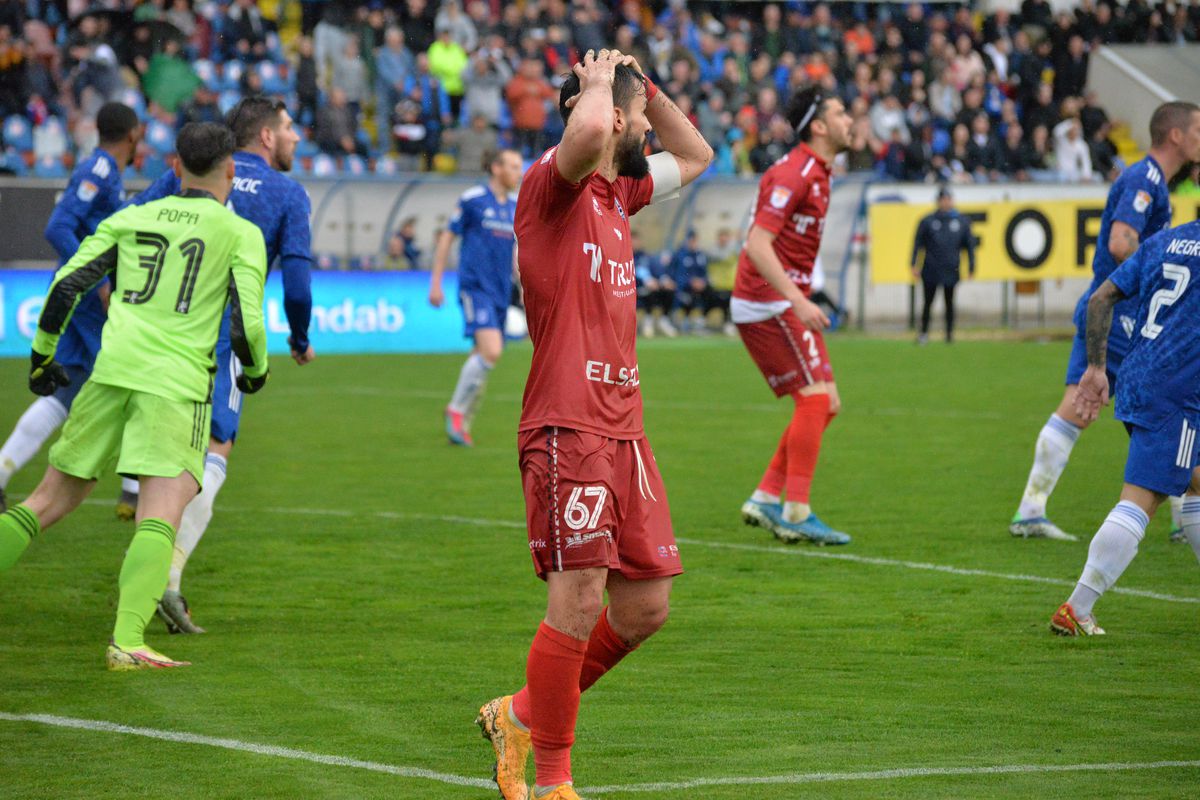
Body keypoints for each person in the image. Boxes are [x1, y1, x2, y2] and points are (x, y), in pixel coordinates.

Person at [474, 49, 712, 800]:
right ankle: (554, 782)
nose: (648, 124)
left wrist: (645, 89)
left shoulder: (620, 193)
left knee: (644, 607)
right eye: (636, 114)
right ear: (607, 118)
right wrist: (599, 84)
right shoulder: (557, 186)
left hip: (625, 430)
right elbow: (580, 142)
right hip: (567, 424)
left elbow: (698, 153)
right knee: (577, 600)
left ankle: (518, 713)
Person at [0, 122, 269, 669]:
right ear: (231, 171)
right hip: (176, 386)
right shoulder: (239, 232)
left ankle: (128, 639)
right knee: (161, 512)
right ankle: (127, 640)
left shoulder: (131, 217)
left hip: (111, 372)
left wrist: (42, 354)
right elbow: (248, 321)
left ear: (174, 167)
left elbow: (68, 283)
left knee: (46, 500)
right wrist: (255, 372)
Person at [133, 97, 315, 633]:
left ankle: (144, 572)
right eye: (288, 128)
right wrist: (299, 337)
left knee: (154, 458)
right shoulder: (287, 193)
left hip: (155, 332)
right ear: (264, 136)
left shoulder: (194, 171)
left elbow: (131, 220)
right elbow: (298, 284)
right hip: (220, 340)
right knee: (214, 452)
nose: (296, 137)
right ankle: (164, 579)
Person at [1010, 102, 1200, 541]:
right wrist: (1157, 270)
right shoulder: (1144, 178)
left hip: (1121, 316)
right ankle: (1032, 509)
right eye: (1196, 130)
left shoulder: (1154, 181)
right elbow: (1120, 243)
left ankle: (1031, 508)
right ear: (1176, 136)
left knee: (1101, 407)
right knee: (1166, 404)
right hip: (1123, 318)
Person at [1050, 218, 1200, 635]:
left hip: (1138, 379)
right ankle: (1077, 608)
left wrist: (1097, 369)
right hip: (1178, 393)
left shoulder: (1165, 241)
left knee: (1196, 482)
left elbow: (1099, 299)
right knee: (1143, 498)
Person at [0, 102, 142, 518]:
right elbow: (58, 227)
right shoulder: (97, 171)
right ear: (132, 134)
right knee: (131, 374)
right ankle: (133, 489)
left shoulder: (106, 173)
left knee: (65, 391)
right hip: (84, 298)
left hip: (76, 295)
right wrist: (97, 281)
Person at [733, 86, 854, 546]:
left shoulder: (819, 172)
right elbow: (757, 244)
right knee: (815, 400)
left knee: (828, 402)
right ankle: (796, 510)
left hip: (783, 298)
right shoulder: (795, 172)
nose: (849, 120)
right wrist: (800, 301)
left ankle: (766, 497)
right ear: (819, 126)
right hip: (768, 301)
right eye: (841, 111)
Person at [428, 148, 522, 446]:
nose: (518, 172)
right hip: (475, 288)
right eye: (513, 166)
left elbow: (517, 251)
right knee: (491, 350)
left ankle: (461, 419)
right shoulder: (473, 200)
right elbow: (447, 236)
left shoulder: (515, 207)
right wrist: (436, 282)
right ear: (496, 168)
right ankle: (456, 411)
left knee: (482, 356)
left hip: (500, 292)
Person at [911, 186, 976, 344]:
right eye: (943, 199)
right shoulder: (927, 221)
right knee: (928, 303)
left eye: (948, 199)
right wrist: (914, 264)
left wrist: (972, 266)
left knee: (949, 303)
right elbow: (917, 244)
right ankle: (924, 334)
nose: (946, 202)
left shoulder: (961, 221)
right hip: (931, 269)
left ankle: (949, 334)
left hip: (951, 269)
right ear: (938, 201)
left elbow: (969, 246)